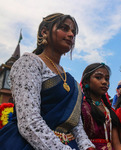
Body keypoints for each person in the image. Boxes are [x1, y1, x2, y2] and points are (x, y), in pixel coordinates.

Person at [0, 13, 95, 150]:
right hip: (28, 143)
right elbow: (29, 121)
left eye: (73, 32)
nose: (71, 35)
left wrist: (87, 146)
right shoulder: (29, 63)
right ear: (44, 32)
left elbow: (75, 124)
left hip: (68, 144)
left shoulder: (70, 80)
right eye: (64, 28)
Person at [81, 63, 121, 150]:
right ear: (86, 81)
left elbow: (117, 144)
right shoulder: (82, 108)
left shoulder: (110, 111)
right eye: (98, 77)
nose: (104, 82)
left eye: (107, 79)